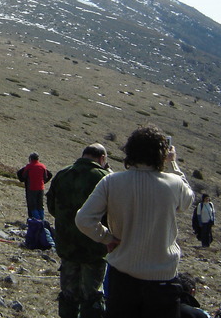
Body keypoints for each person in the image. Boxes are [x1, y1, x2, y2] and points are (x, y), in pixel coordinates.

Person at [76, 125, 194, 318]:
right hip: (162, 280)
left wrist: (107, 238)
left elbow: (83, 219)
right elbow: (188, 201)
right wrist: (173, 164)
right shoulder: (174, 184)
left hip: (123, 277)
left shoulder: (111, 182)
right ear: (161, 154)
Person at [46, 143, 110, 318]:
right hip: (94, 247)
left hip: (67, 245)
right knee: (93, 295)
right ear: (102, 158)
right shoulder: (104, 178)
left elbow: (52, 207)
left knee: (68, 294)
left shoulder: (63, 174)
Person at [18, 152, 53, 219]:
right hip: (41, 188)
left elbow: (24, 176)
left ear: (30, 158)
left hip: (32, 188)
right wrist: (43, 182)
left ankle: (36, 219)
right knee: (40, 205)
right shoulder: (42, 166)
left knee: (32, 205)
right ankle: (42, 219)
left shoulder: (29, 166)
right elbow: (46, 177)